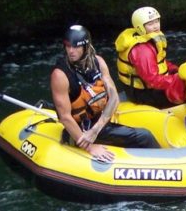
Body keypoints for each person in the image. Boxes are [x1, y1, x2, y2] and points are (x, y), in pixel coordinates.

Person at [50, 25, 159, 163]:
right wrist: (89, 147)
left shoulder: (98, 62)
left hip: (97, 126)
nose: (71, 51)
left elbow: (113, 97)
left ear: (86, 47)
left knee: (142, 133)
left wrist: (96, 129)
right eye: (68, 46)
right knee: (145, 137)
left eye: (76, 47)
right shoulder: (60, 75)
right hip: (79, 132)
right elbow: (65, 117)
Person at [114, 6, 179, 108]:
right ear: (140, 27)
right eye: (150, 24)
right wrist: (176, 81)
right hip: (144, 93)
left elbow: (160, 62)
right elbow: (152, 80)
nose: (155, 26)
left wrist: (176, 70)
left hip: (150, 87)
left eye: (157, 21)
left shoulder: (150, 39)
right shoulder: (142, 50)